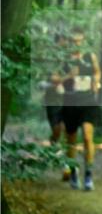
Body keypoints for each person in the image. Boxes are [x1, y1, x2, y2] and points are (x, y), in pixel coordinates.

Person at [60, 27, 101, 191]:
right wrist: (69, 76)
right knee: (71, 141)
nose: (76, 43)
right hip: (70, 102)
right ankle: (74, 172)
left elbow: (98, 72)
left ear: (83, 41)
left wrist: (96, 82)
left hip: (88, 100)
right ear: (69, 42)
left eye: (79, 41)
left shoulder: (90, 57)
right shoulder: (64, 60)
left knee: (87, 136)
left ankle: (89, 175)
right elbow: (54, 79)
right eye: (73, 41)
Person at [42, 33, 70, 180]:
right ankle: (53, 142)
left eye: (65, 43)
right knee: (57, 131)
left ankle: (66, 165)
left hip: (67, 101)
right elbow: (53, 78)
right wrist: (69, 77)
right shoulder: (51, 59)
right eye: (62, 43)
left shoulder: (71, 60)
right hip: (52, 101)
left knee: (66, 131)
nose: (64, 45)